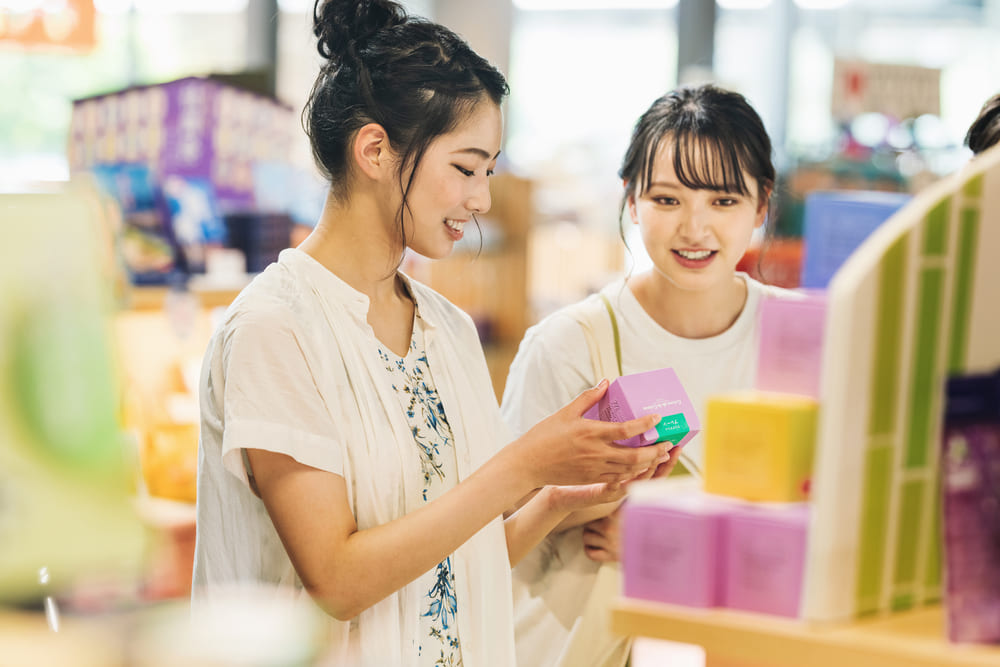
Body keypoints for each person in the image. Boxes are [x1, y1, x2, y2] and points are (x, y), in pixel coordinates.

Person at [190, 1, 672, 665]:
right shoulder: (276, 328)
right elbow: (337, 579)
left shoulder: (446, 327)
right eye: (465, 168)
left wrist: (568, 490)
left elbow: (460, 561)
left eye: (489, 172)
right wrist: (526, 464)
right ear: (376, 151)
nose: (480, 200)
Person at [501, 84, 800, 667]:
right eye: (667, 200)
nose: (694, 229)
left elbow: (825, 518)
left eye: (723, 201)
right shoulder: (569, 345)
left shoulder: (796, 339)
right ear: (631, 200)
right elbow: (496, 533)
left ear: (761, 206)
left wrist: (668, 547)